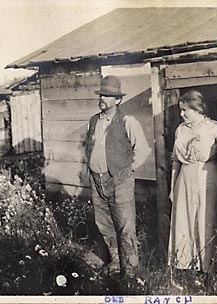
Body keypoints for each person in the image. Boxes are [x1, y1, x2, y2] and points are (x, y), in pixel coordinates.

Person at [85, 75, 151, 282]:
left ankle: (131, 270)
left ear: (118, 100)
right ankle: (114, 261)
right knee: (103, 222)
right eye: (102, 94)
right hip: (97, 180)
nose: (103, 98)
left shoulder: (127, 121)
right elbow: (91, 147)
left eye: (108, 95)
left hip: (119, 180)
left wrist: (127, 170)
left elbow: (143, 149)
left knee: (125, 225)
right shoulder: (94, 120)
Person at [168, 90, 217, 282]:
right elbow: (175, 161)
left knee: (206, 221)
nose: (182, 114)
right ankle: (185, 266)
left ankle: (208, 269)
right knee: (183, 221)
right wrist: (172, 188)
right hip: (184, 179)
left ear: (197, 108)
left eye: (185, 110)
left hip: (208, 178)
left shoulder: (215, 129)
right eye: (181, 110)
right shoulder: (181, 130)